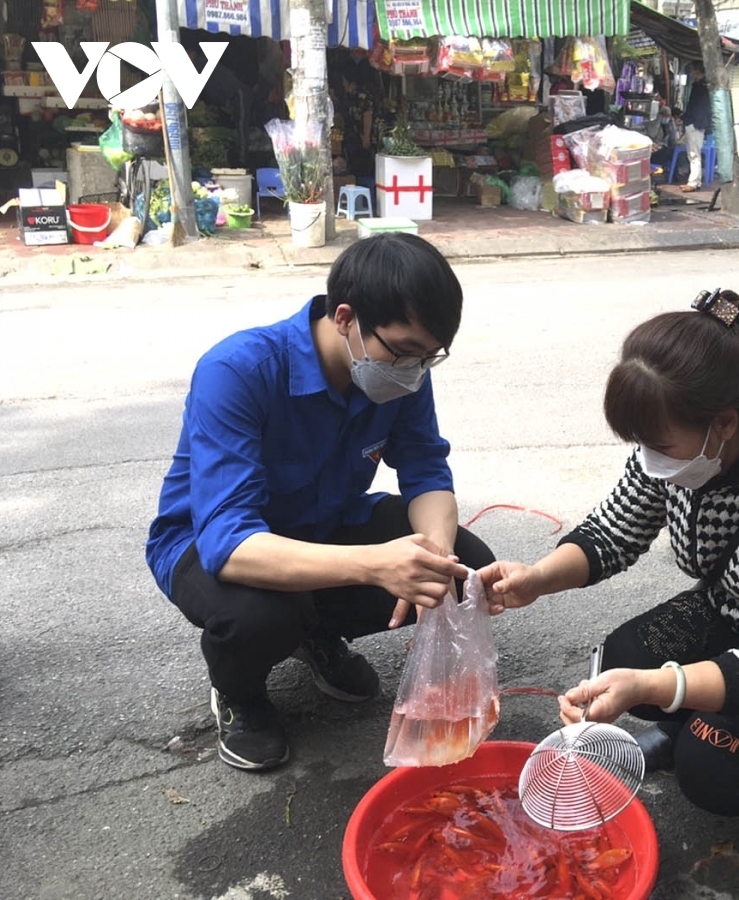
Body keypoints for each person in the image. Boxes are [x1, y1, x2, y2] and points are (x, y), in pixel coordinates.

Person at [479, 289, 739, 817]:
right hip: (737, 612)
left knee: (710, 771)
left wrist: (652, 686)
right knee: (620, 661)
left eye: (659, 445)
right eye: (641, 443)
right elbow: (615, 530)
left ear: (723, 424)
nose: (648, 459)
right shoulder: (684, 448)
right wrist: (536, 579)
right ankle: (697, 724)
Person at [146, 234, 492, 772]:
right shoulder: (238, 371)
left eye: (429, 357)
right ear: (346, 318)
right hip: (212, 544)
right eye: (403, 352)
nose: (413, 370)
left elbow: (426, 473)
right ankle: (241, 693)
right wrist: (378, 565)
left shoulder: (400, 376)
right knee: (259, 617)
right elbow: (229, 543)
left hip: (324, 525)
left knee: (457, 567)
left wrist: (433, 561)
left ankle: (316, 634)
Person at [680, 62, 712, 192]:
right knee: (693, 154)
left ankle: (693, 182)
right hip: (695, 122)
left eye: (693, 71)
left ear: (697, 71)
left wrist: (688, 119)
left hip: (695, 123)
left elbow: (696, 107)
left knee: (694, 154)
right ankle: (695, 181)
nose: (692, 73)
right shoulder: (702, 86)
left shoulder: (701, 87)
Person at [648, 104, 681, 171]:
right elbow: (652, 134)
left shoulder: (668, 126)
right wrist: (658, 120)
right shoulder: (652, 124)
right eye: (665, 116)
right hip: (653, 152)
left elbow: (673, 141)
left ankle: (675, 173)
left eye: (668, 116)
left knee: (674, 151)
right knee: (668, 152)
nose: (667, 118)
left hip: (664, 149)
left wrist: (672, 123)